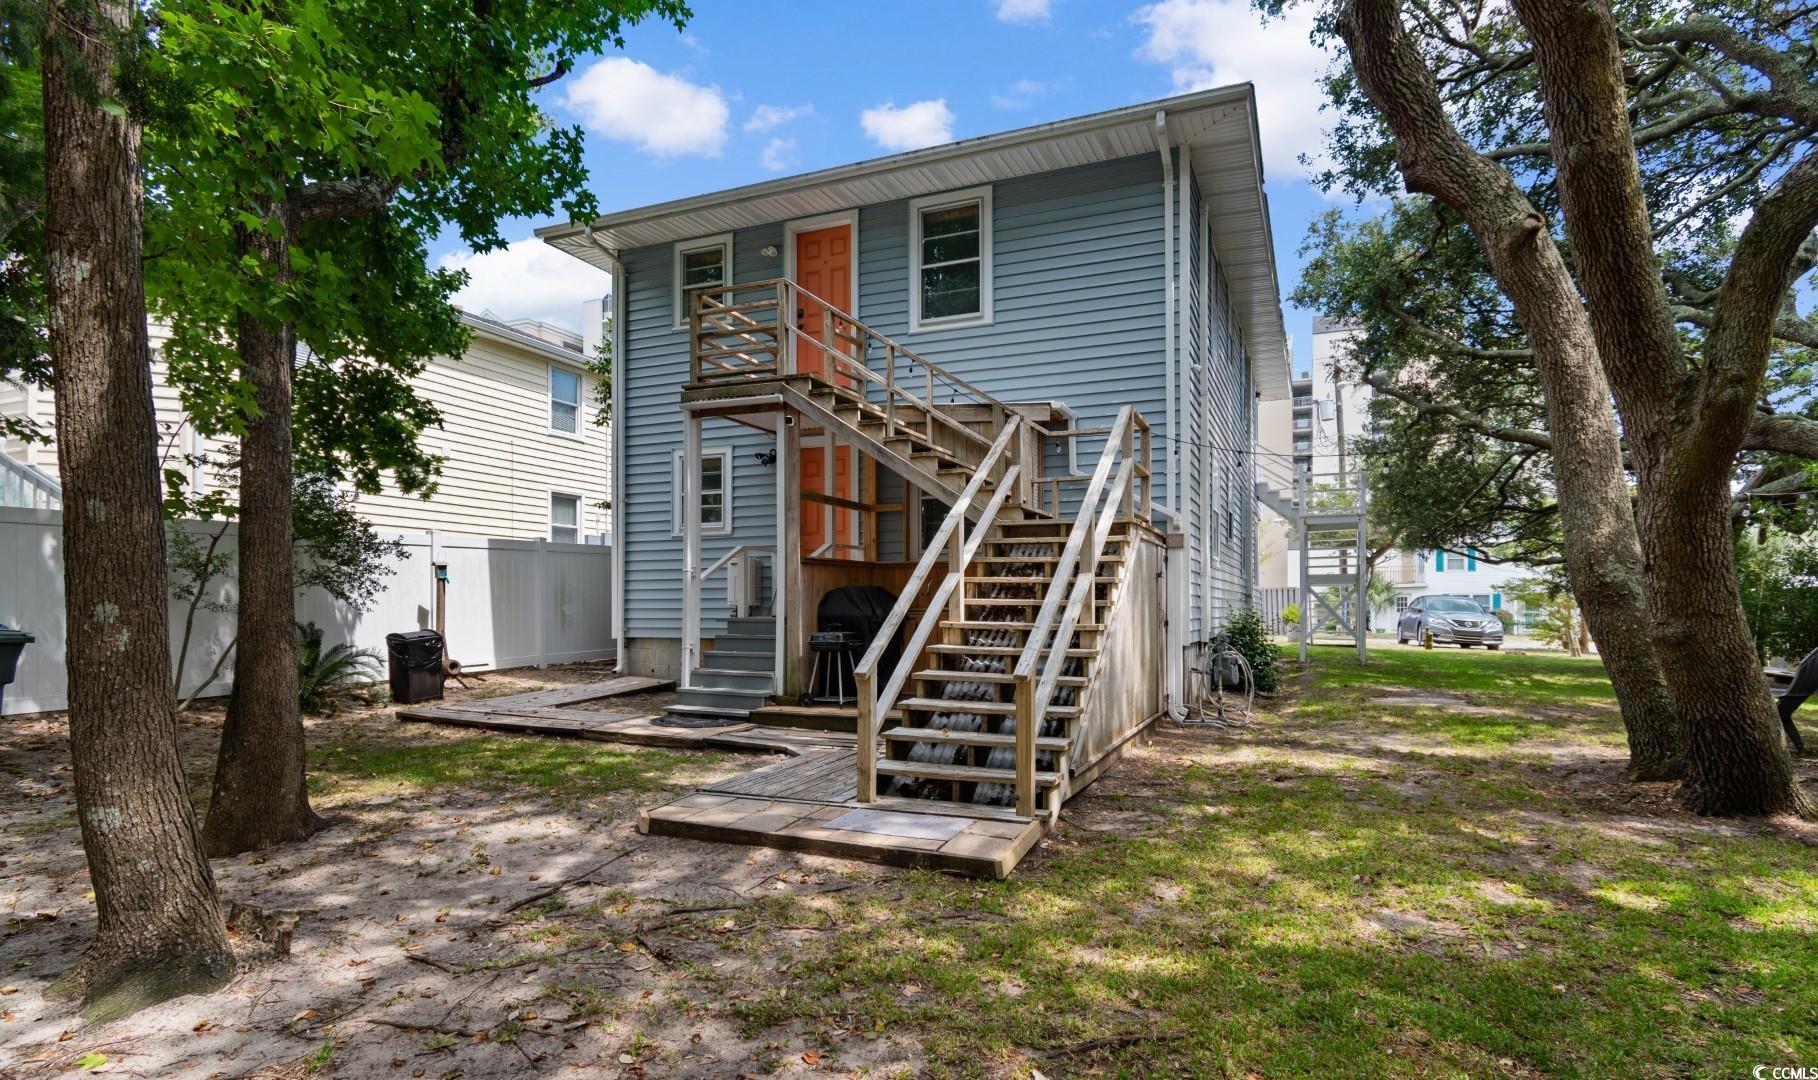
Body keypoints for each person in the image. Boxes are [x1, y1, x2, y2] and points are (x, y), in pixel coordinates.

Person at [1777, 647, 1817, 755]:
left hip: (1789, 697)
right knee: (1783, 715)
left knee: (1777, 714)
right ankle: (1799, 746)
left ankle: (1797, 747)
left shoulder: (1809, 662)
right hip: (1797, 696)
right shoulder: (1813, 661)